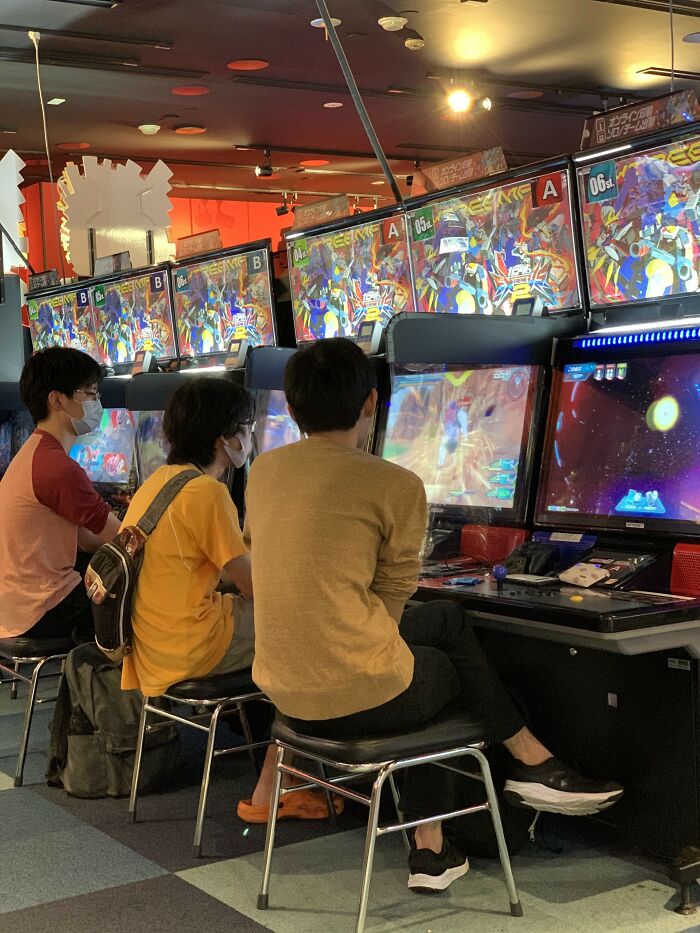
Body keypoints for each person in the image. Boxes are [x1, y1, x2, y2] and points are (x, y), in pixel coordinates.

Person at [244, 338, 623, 894]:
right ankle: (458, 824)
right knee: (438, 674)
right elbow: (397, 586)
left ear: (293, 409)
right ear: (372, 404)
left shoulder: (263, 472)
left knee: (445, 620)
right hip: (353, 698)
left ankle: (501, 787)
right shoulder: (395, 483)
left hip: (282, 695)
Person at [120, 376, 338, 822]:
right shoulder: (208, 492)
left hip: (152, 645)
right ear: (225, 438)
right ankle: (276, 787)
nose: (251, 437)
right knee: (303, 634)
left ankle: (285, 773)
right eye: (247, 427)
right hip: (193, 644)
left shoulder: (156, 482)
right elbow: (255, 585)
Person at [0, 348, 121, 641]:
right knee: (130, 590)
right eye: (90, 394)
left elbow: (84, 539)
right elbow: (124, 539)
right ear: (57, 400)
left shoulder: (32, 453)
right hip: (42, 611)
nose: (97, 403)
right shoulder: (57, 467)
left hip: (13, 608)